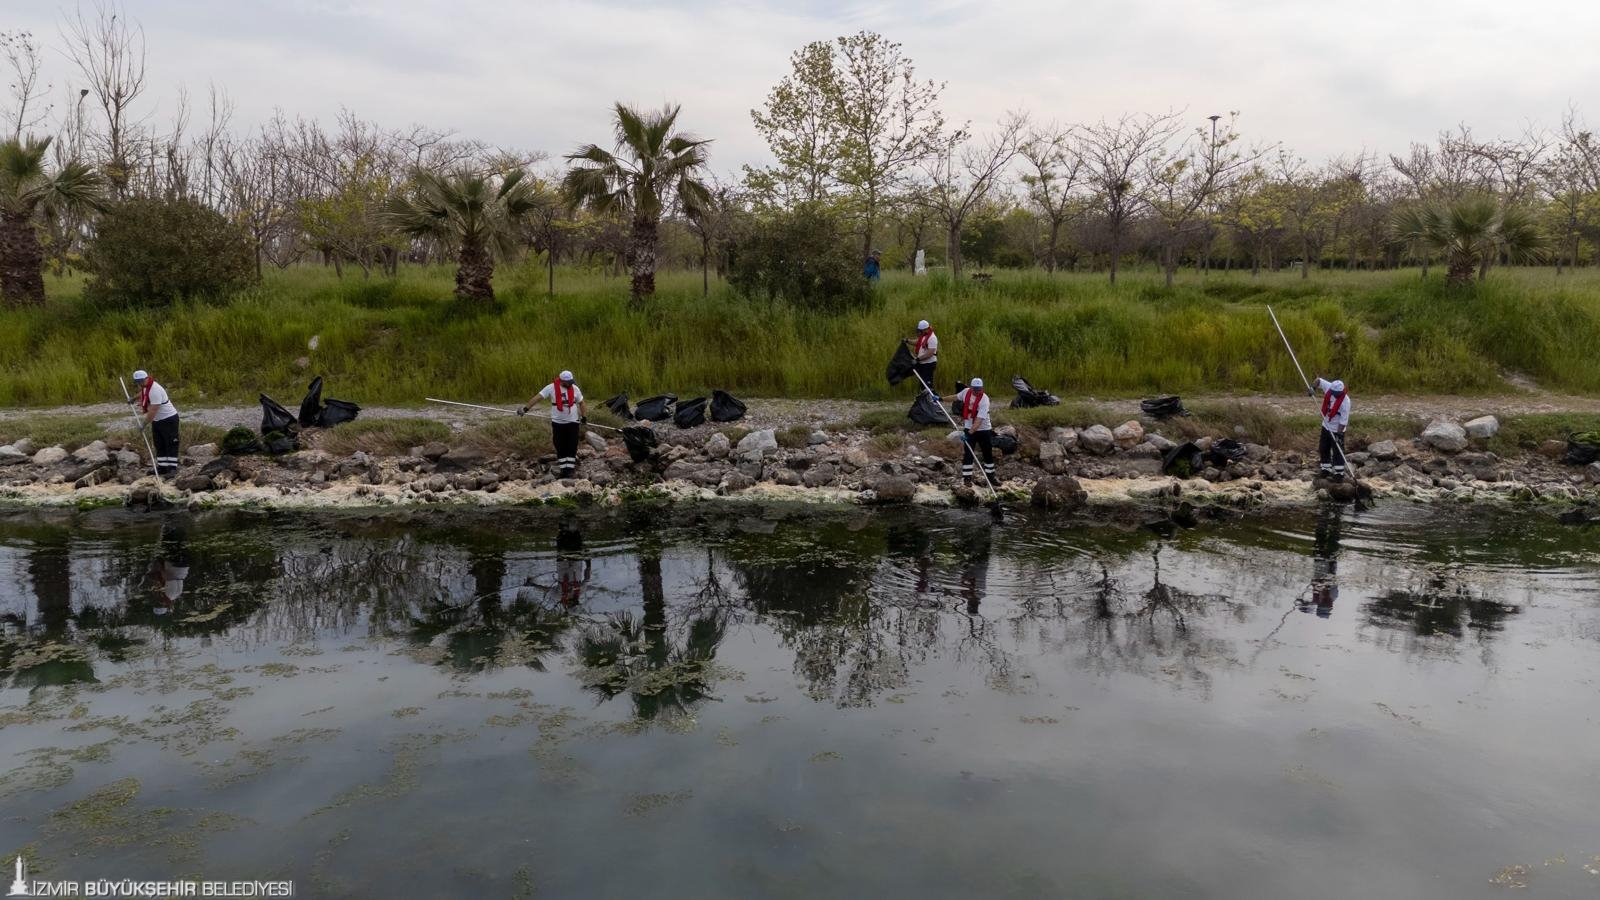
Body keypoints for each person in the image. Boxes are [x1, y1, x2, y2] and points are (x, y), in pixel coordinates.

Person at [522, 370, 587, 479]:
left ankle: (569, 470)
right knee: (560, 445)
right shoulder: (551, 387)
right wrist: (525, 409)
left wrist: (584, 416)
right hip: (558, 423)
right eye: (568, 382)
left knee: (572, 446)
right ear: (561, 380)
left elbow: (581, 402)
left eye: (571, 381)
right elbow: (538, 397)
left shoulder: (575, 388)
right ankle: (563, 469)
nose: (571, 383)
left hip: (573, 422)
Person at [130, 369, 180, 476]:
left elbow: (153, 410)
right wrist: (133, 399)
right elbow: (142, 393)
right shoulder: (146, 387)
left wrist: (144, 424)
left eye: (141, 381)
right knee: (159, 444)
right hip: (157, 421)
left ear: (147, 378)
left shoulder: (155, 390)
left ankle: (172, 469)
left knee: (170, 443)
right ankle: (162, 467)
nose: (140, 384)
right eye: (137, 382)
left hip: (168, 419)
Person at [953, 377, 995, 487]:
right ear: (971, 388)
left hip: (984, 430)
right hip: (969, 428)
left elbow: (978, 421)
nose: (977, 391)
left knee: (987, 453)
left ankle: (991, 477)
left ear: (982, 388)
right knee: (968, 454)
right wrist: (940, 399)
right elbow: (956, 397)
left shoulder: (984, 399)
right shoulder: (966, 392)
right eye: (975, 389)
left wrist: (968, 434)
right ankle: (967, 478)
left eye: (979, 389)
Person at [1312, 375, 1350, 479]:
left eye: (1337, 394)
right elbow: (1318, 380)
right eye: (1333, 394)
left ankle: (1339, 473)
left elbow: (1343, 422)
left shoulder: (1345, 402)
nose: (1334, 395)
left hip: (1338, 428)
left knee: (1337, 450)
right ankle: (1326, 469)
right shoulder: (1330, 387)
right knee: (1323, 448)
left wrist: (1338, 435)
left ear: (1341, 392)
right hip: (1326, 425)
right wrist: (1313, 388)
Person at [909, 319, 938, 391]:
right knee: (922, 384)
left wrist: (917, 359)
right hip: (922, 364)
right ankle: (925, 399)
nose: (920, 332)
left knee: (927, 385)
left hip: (929, 364)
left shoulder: (932, 338)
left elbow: (930, 353)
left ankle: (932, 400)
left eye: (921, 331)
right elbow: (917, 342)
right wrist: (907, 341)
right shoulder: (924, 336)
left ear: (926, 329)